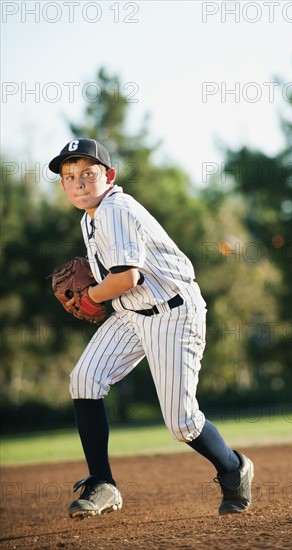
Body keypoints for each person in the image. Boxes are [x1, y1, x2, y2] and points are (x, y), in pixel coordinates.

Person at [48, 138, 254, 519]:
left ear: (108, 176)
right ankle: (102, 483)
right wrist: (97, 290)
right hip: (132, 312)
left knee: (182, 423)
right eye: (70, 176)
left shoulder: (115, 210)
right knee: (84, 381)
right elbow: (122, 283)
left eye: (88, 174)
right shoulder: (89, 216)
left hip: (173, 313)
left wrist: (90, 294)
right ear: (63, 185)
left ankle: (233, 469)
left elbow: (126, 276)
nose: (78, 183)